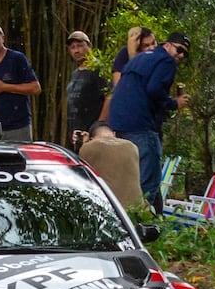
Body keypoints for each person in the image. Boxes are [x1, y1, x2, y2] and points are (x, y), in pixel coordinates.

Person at [107, 32, 190, 213]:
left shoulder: (141, 57)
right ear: (167, 45)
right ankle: (143, 229)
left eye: (185, 53)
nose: (181, 55)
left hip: (119, 123)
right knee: (148, 182)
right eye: (179, 49)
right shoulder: (166, 61)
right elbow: (154, 89)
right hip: (139, 125)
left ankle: (129, 222)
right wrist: (173, 103)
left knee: (128, 179)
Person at [78, 121, 144, 209]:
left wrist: (84, 144)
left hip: (108, 210)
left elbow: (82, 174)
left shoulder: (89, 148)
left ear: (92, 138)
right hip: (136, 209)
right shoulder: (132, 146)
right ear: (114, 134)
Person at [65, 30, 109, 149]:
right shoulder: (75, 73)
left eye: (80, 46)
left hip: (92, 134)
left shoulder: (98, 68)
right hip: (76, 135)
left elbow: (109, 97)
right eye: (72, 47)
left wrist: (99, 126)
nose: (76, 50)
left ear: (89, 46)